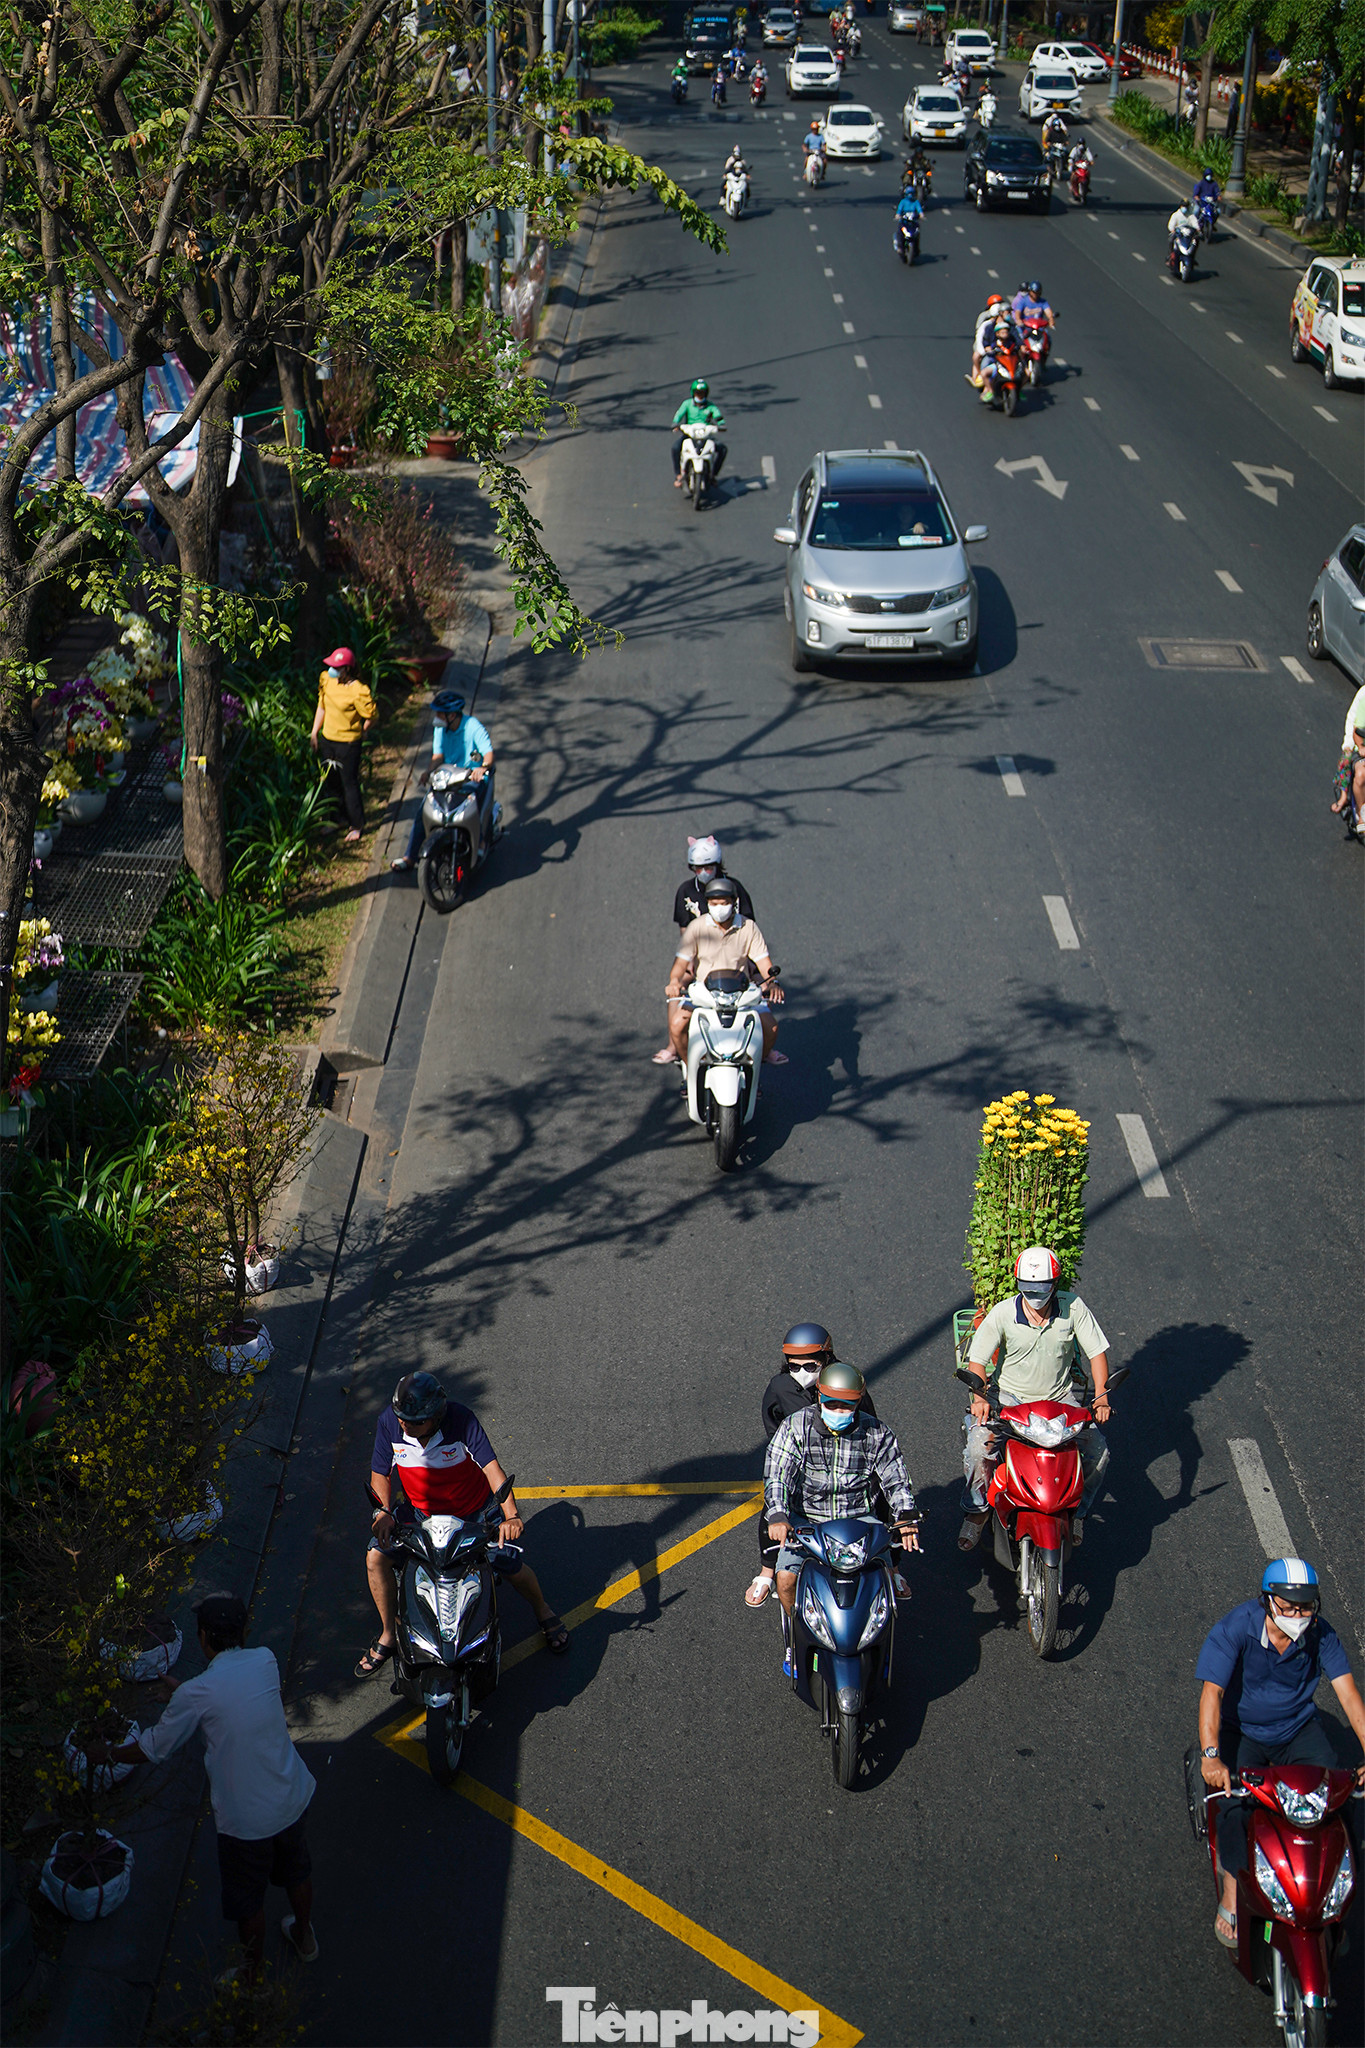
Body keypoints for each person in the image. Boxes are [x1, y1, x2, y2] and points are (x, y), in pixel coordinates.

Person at [86, 1593, 318, 1983]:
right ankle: (304, 1935)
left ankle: (252, 1980)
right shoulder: (265, 1660)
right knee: (296, 1873)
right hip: (291, 1794)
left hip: (247, 1823)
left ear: (203, 1637)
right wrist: (184, 1695)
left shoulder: (197, 1693)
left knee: (248, 1904)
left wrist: (108, 1753)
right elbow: (230, 1698)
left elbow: (154, 1748)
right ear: (243, 1631)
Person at [1196, 1559, 1365, 1951]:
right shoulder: (1235, 1629)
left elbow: (1349, 1695)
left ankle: (1334, 1895)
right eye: (1289, 1606)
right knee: (1234, 1807)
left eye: (1306, 1606)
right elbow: (1212, 1695)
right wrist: (1211, 1756)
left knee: (1337, 1804)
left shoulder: (1321, 1635)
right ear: (1268, 1601)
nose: (1298, 1615)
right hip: (1245, 1731)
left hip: (1298, 1730)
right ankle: (1232, 1888)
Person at [358, 1371, 569, 1675]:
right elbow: (380, 1473)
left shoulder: (462, 1421)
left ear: (437, 1415)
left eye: (414, 1421)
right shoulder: (389, 1423)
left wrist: (511, 1516)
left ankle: (543, 1610)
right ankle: (388, 1634)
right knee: (375, 1556)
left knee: (507, 1563)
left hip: (474, 1515)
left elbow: (492, 1470)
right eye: (401, 1417)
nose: (405, 1424)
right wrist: (382, 1513)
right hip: (419, 1514)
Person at [764, 1361, 920, 1661]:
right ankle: (797, 1638)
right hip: (807, 1521)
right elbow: (777, 1476)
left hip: (859, 1520)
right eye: (831, 1403)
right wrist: (779, 1514)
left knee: (883, 1579)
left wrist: (905, 1516)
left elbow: (896, 1478)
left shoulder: (877, 1433)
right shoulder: (794, 1427)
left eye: (846, 1406)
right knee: (785, 1579)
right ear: (819, 1397)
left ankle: (877, 1640)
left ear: (858, 1402)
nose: (838, 1411)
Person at [958, 1246, 1112, 1550]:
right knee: (978, 1450)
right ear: (1018, 1285)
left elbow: (1096, 1354)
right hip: (1011, 1400)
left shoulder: (1074, 1308)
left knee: (1098, 1452)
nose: (1035, 1295)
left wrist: (1102, 1397)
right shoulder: (1003, 1313)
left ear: (1055, 1284)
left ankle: (1078, 1512)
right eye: (1028, 1288)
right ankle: (977, 1512)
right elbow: (976, 1359)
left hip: (1060, 1400)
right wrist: (979, 1397)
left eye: (1041, 1287)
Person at [747, 1325, 887, 1608]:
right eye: (793, 1366)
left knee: (881, 1499)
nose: (801, 1372)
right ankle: (766, 1570)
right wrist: (790, 1454)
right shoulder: (780, 1386)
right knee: (773, 1507)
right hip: (802, 1461)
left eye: (810, 1365)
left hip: (844, 1458)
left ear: (827, 1358)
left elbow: (870, 1424)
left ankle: (893, 1567)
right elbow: (772, 1421)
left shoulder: (845, 1382)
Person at [657, 873, 786, 1067]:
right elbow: (679, 965)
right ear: (708, 904)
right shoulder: (696, 927)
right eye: (714, 903)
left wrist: (773, 982)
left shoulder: (748, 927)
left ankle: (755, 1066)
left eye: (724, 903)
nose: (719, 908)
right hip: (704, 995)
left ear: (734, 903)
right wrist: (674, 982)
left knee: (771, 1028)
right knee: (677, 1025)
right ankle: (689, 1066)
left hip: (741, 995)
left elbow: (764, 963)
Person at [390, 689, 494, 871]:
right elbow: (438, 755)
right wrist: (428, 772)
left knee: (473, 808)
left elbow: (489, 753)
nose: (436, 717)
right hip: (447, 778)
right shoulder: (441, 728)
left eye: (440, 713)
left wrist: (482, 767)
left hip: (470, 778)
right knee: (424, 810)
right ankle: (410, 857)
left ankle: (481, 841)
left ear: (452, 715)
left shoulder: (472, 726)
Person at [310, 646, 376, 843]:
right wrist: (315, 732)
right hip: (328, 740)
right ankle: (336, 820)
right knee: (331, 783)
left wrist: (363, 731)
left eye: (337, 667)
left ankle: (357, 824)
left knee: (349, 785)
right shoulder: (327, 681)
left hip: (348, 744)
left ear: (347, 669)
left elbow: (372, 715)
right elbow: (321, 706)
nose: (332, 670)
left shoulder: (358, 691)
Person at [672, 833, 755, 934]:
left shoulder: (735, 887)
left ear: (717, 865)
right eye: (698, 869)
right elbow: (684, 929)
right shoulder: (686, 891)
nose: (703, 873)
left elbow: (749, 923)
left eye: (708, 868)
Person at [671, 377, 727, 487]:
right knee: (675, 448)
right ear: (693, 393)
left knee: (722, 449)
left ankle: (713, 475)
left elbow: (718, 417)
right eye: (698, 393)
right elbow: (678, 416)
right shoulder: (687, 404)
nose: (700, 396)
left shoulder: (711, 406)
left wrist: (721, 425)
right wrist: (675, 423)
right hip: (689, 435)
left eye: (702, 393)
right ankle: (679, 474)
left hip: (705, 436)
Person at [1330, 684, 1365, 833]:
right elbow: (1357, 730)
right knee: (1360, 775)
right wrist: (1360, 747)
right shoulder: (1364, 696)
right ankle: (1361, 814)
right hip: (1359, 745)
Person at [968, 291, 1011, 386]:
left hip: (999, 345)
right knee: (976, 357)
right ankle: (976, 377)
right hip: (984, 342)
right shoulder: (985, 319)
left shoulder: (1005, 319)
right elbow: (980, 332)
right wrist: (984, 347)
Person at [894, 186, 923, 254]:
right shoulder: (903, 202)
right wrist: (898, 215)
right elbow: (899, 209)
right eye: (909, 193)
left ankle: (916, 248)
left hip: (913, 222)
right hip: (904, 222)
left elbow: (919, 209)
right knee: (900, 233)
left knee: (917, 233)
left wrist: (921, 214)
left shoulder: (916, 202)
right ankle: (900, 247)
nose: (910, 195)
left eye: (912, 193)